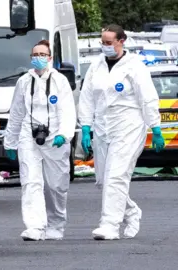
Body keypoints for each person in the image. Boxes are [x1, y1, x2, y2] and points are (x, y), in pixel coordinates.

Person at [78, 24, 165, 240]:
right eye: (102, 42)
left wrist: (155, 127)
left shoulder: (134, 66)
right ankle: (131, 211)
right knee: (102, 180)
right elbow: (87, 96)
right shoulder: (96, 65)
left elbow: (147, 97)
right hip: (103, 127)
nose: (105, 46)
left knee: (116, 176)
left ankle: (109, 225)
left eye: (109, 42)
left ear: (121, 41)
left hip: (128, 126)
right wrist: (86, 126)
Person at [4, 40, 76, 241]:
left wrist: (65, 133)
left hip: (55, 138)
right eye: (35, 54)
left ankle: (56, 224)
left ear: (50, 58)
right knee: (31, 181)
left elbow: (68, 110)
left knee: (56, 185)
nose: (38, 58)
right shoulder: (24, 82)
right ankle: (34, 226)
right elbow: (17, 113)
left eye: (43, 54)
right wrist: (10, 141)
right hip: (30, 134)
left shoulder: (59, 81)